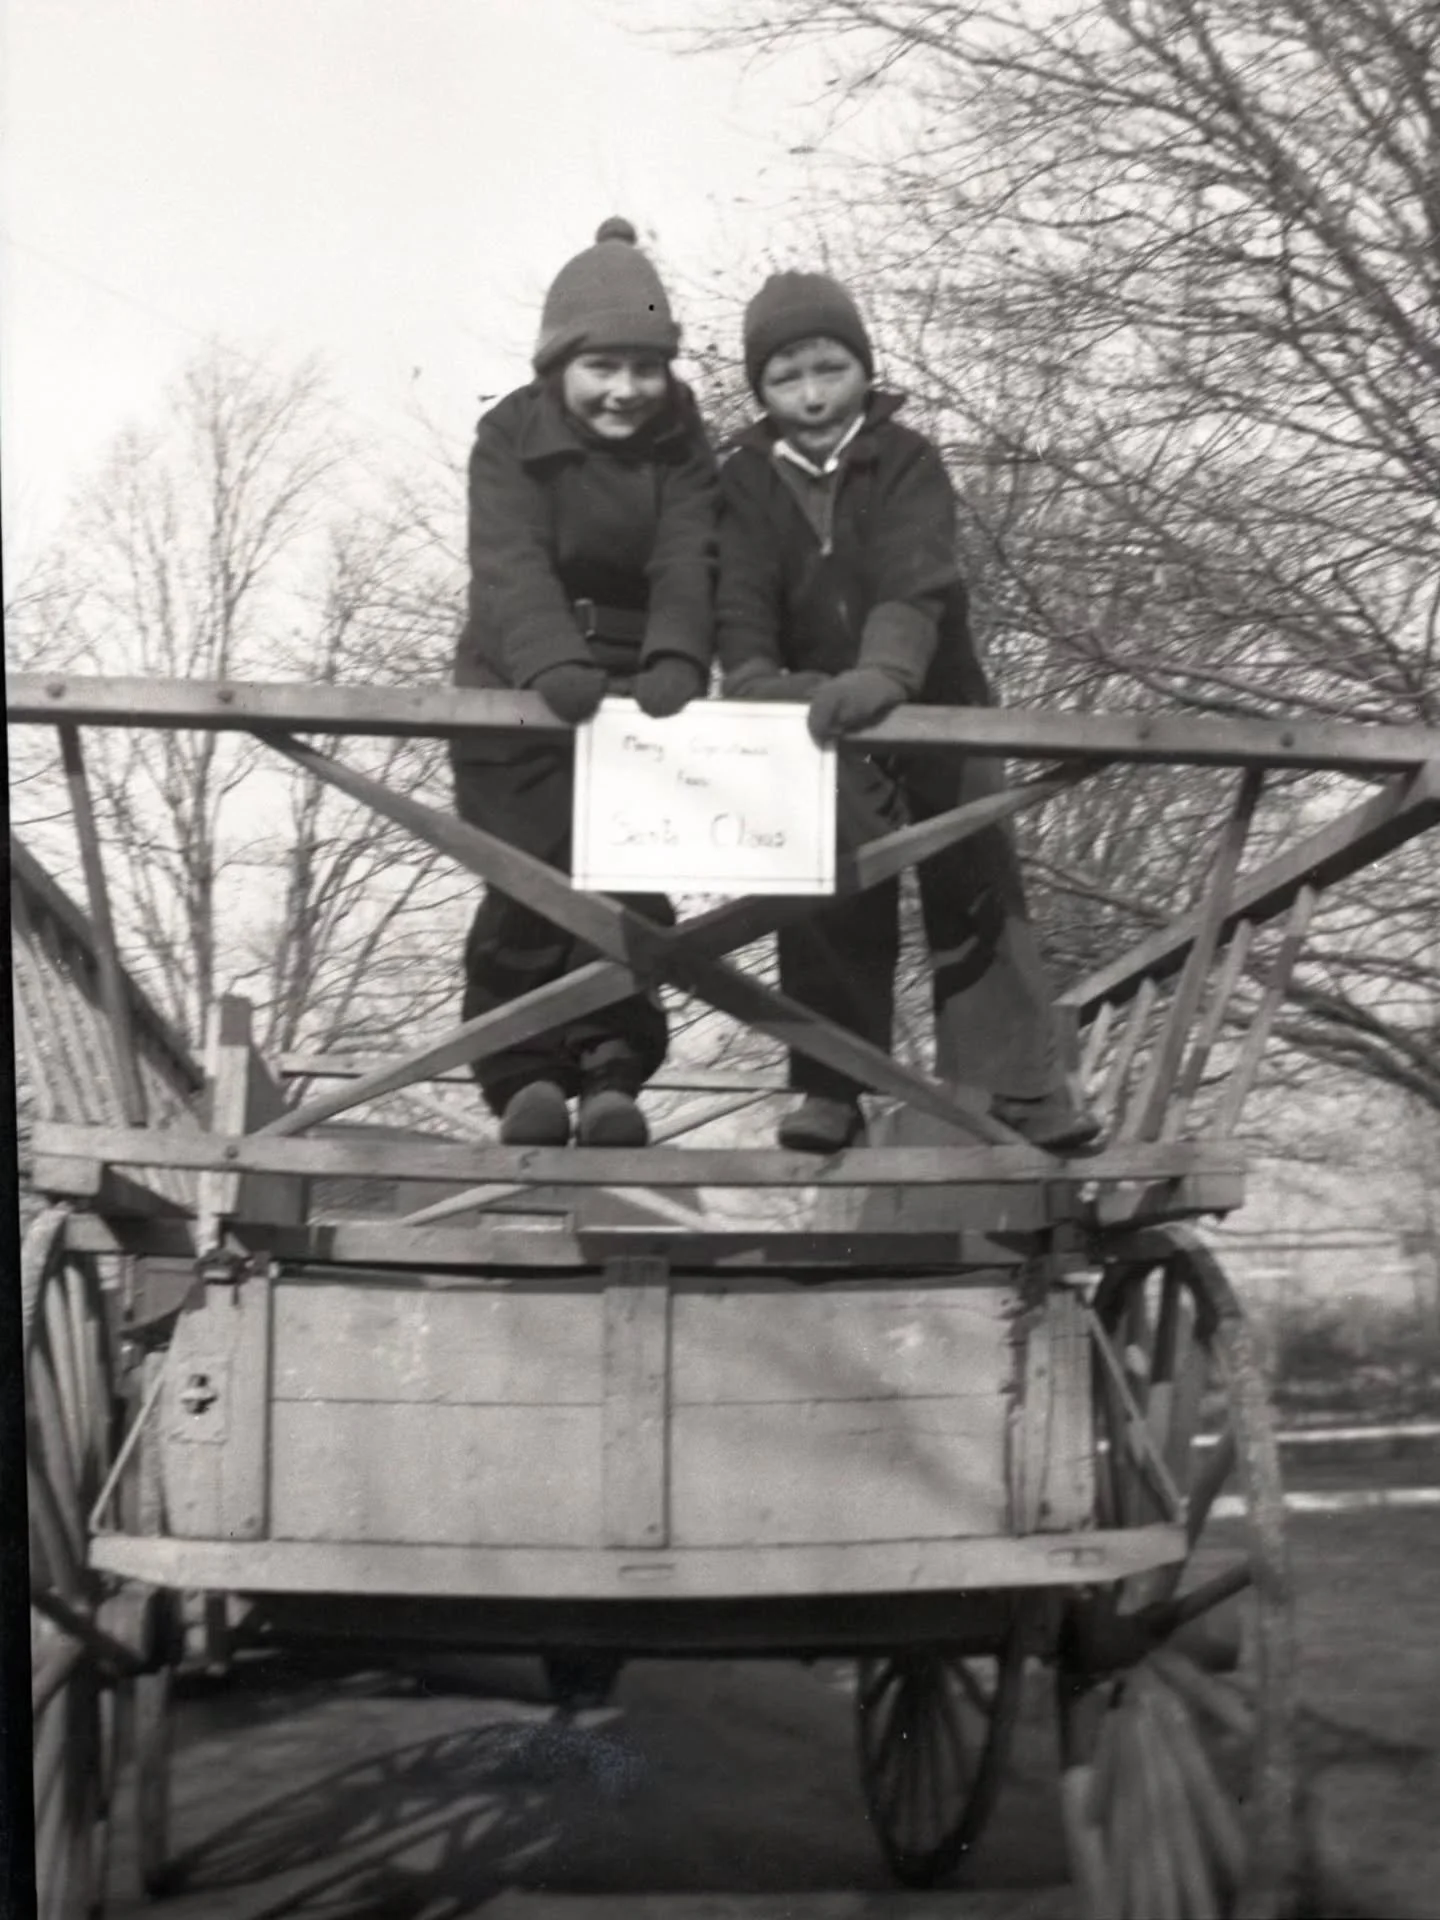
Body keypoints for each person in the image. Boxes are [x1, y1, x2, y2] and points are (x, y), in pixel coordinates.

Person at [716, 269, 1099, 1155]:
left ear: (863, 368)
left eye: (829, 370)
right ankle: (831, 1089)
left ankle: (1023, 1092)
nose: (812, 396)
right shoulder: (741, 480)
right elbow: (740, 603)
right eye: (787, 378)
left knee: (975, 886)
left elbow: (912, 583)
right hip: (817, 720)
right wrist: (757, 682)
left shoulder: (909, 459)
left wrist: (883, 675)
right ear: (761, 390)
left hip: (936, 702)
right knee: (826, 886)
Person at [451, 218, 716, 1149]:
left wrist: (680, 653)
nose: (626, 390)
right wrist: (551, 658)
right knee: (527, 874)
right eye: (602, 367)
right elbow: (509, 558)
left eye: (646, 368)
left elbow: (689, 556)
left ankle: (611, 1070)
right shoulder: (508, 434)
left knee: (628, 879)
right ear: (558, 362)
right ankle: (522, 1074)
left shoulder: (683, 442)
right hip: (519, 683)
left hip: (638, 686)